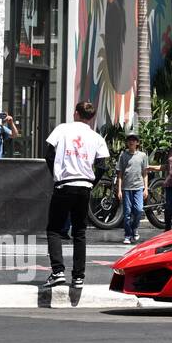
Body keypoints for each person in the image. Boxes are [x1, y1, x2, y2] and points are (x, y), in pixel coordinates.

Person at [41, 101, 109, 289]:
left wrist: (56, 175)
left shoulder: (62, 129)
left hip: (64, 184)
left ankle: (58, 271)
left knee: (54, 229)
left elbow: (49, 154)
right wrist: (92, 184)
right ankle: (78, 277)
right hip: (84, 186)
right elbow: (102, 165)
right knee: (80, 231)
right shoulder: (96, 137)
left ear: (76, 113)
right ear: (91, 117)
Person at [115, 132, 154, 245]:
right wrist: (119, 190)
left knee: (139, 210)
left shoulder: (142, 156)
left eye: (134, 140)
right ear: (127, 142)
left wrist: (145, 188)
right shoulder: (123, 156)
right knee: (127, 213)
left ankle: (134, 228)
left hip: (138, 187)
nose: (131, 142)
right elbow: (120, 174)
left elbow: (145, 173)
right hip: (126, 188)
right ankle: (127, 235)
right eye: (129, 140)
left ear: (137, 142)